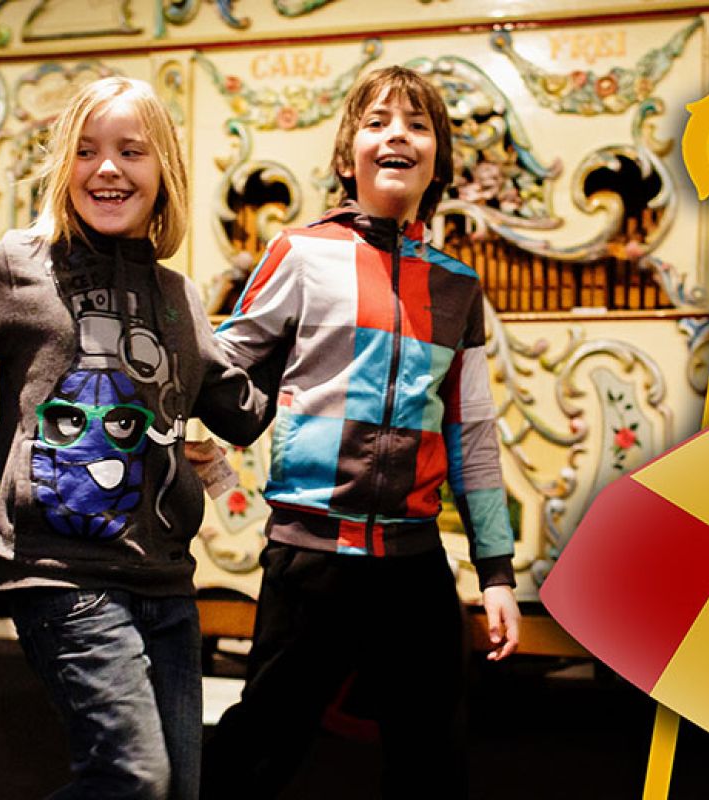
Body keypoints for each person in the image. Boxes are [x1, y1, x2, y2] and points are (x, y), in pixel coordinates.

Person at [200, 65, 522, 799]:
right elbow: (224, 370)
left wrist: (496, 574)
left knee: (432, 761)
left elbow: (471, 434)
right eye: (376, 121)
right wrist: (196, 442)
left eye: (416, 124)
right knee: (261, 748)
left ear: (437, 156)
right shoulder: (300, 254)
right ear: (348, 155)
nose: (396, 135)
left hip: (414, 565)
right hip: (310, 558)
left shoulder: (457, 286)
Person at [0, 76, 271, 800]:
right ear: (64, 165)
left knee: (175, 792)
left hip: (165, 581)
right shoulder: (19, 265)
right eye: (87, 151)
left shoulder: (178, 295)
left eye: (131, 151)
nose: (107, 169)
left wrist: (310, 336)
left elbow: (240, 410)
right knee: (135, 781)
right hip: (64, 575)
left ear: (164, 172)